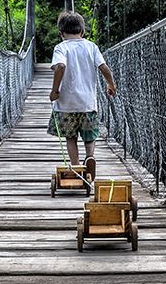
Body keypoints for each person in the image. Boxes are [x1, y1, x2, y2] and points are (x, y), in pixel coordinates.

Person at [47, 10, 116, 181]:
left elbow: (60, 66)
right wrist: (111, 84)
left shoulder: (61, 47)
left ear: (61, 33)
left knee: (70, 137)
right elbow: (103, 67)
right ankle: (90, 157)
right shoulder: (91, 46)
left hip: (66, 104)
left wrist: (55, 90)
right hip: (87, 103)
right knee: (89, 136)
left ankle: (76, 166)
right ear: (83, 31)